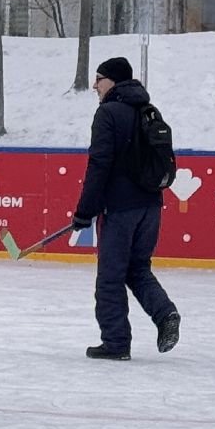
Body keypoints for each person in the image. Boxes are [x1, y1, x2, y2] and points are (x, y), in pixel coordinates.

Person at [72, 56, 181, 360]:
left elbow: (99, 164)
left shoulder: (108, 113)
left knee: (110, 276)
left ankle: (116, 342)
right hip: (151, 206)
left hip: (120, 209)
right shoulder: (148, 110)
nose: (95, 85)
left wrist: (84, 210)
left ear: (113, 81)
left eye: (99, 79)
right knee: (137, 269)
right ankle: (165, 313)